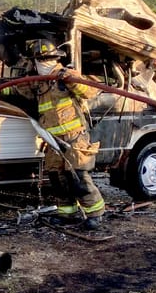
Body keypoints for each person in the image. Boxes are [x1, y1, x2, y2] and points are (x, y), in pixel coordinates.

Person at [8, 39, 106, 229]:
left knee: (78, 177)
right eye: (39, 60)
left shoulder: (67, 76)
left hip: (74, 137)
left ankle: (95, 214)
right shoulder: (38, 83)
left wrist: (69, 79)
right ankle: (67, 213)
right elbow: (21, 91)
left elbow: (91, 91)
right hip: (52, 139)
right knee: (58, 178)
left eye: (47, 59)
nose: (43, 63)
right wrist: (25, 70)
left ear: (55, 59)